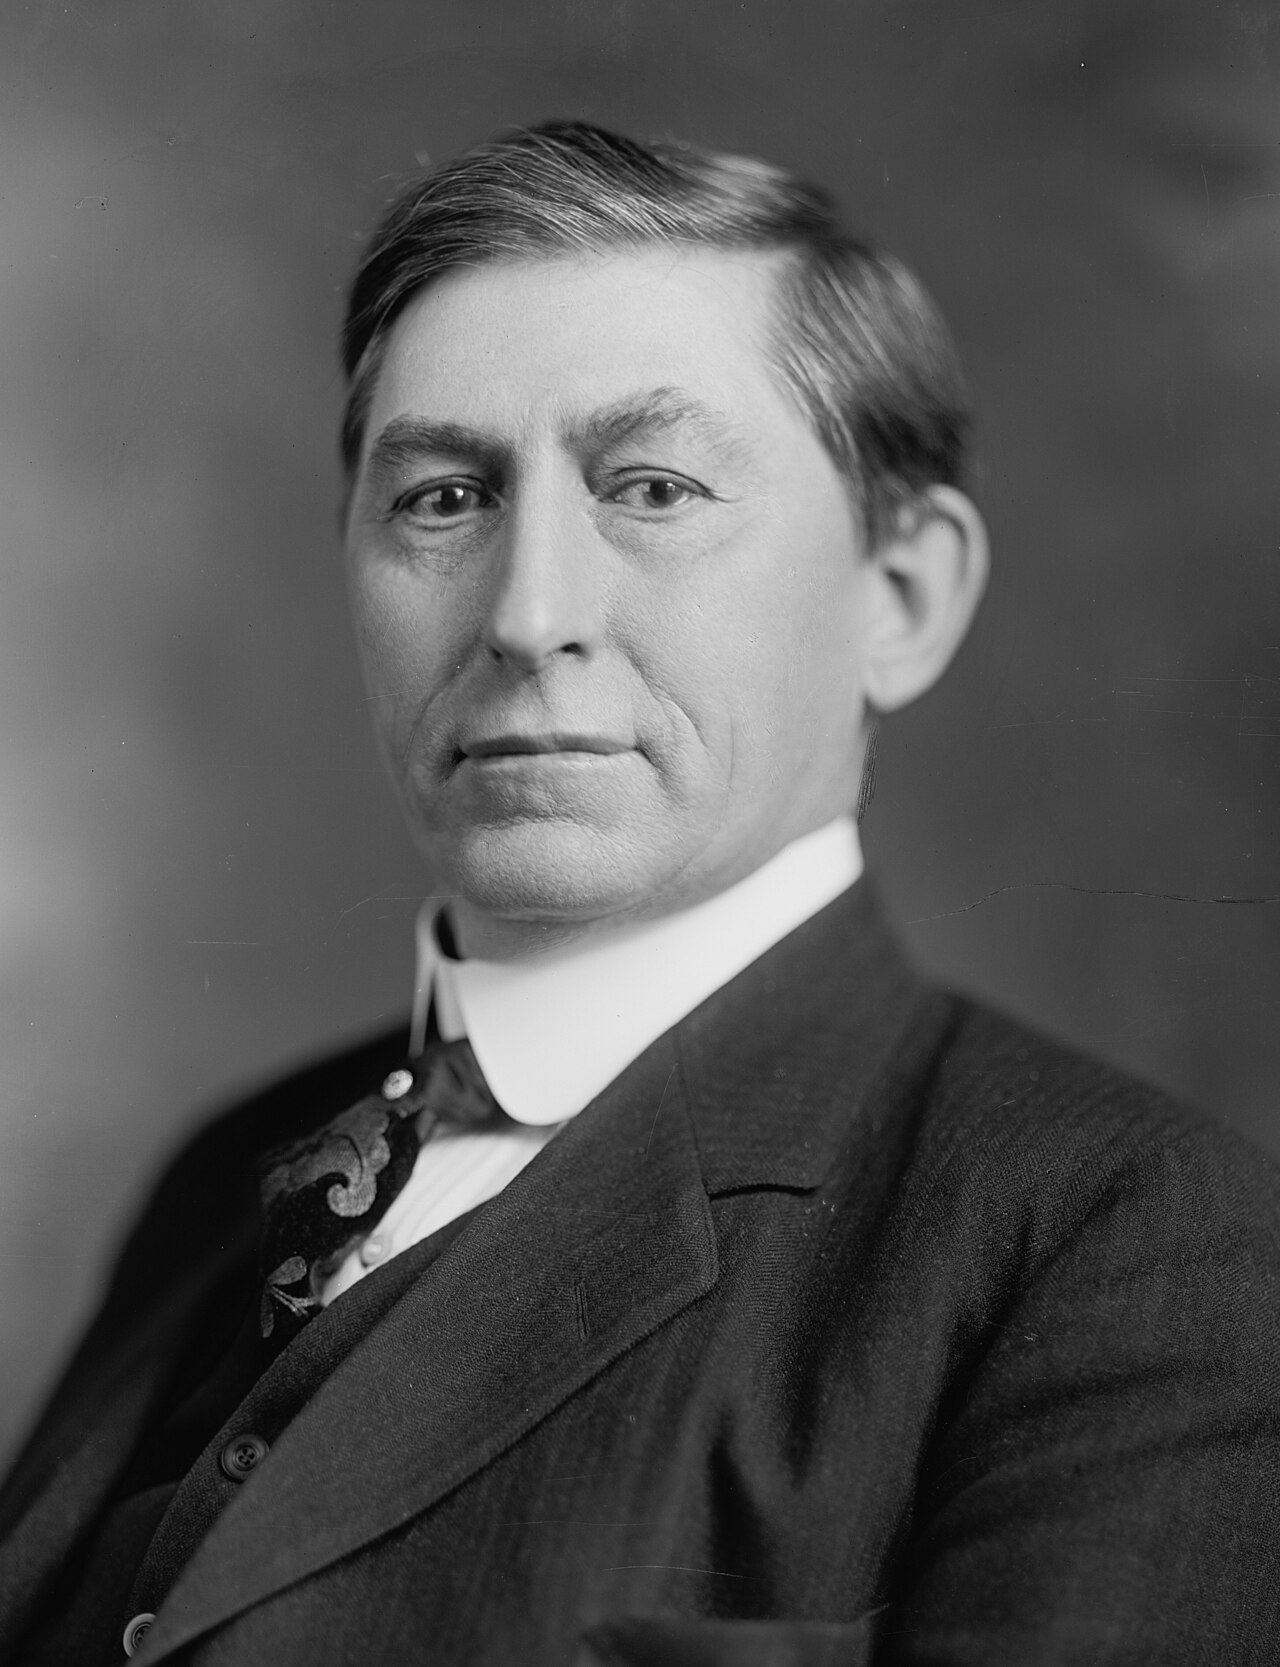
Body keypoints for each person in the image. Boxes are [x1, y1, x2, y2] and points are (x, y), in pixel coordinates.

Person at [1, 119, 1278, 1667]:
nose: (528, 613)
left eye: (655, 488)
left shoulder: (1129, 1243)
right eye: (443, 499)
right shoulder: (229, 1172)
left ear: (902, 596)